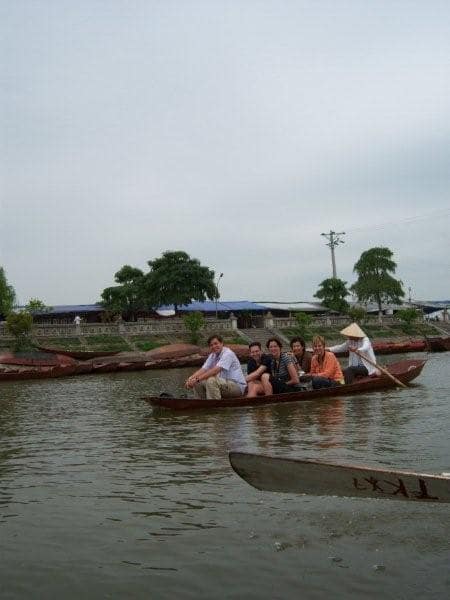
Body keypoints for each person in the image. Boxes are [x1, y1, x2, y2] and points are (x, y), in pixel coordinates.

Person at [185, 334, 246, 400]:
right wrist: (191, 379)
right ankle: (201, 403)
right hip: (223, 384)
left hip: (237, 387)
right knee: (198, 383)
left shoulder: (228, 354)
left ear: (222, 343)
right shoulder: (212, 355)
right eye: (211, 345)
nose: (214, 346)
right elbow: (204, 369)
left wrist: (197, 379)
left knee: (211, 380)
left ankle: (214, 406)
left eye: (216, 343)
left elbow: (215, 370)